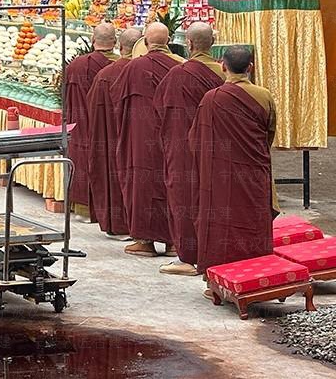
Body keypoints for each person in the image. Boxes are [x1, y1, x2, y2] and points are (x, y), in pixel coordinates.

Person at [190, 46, 276, 279]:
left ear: (223, 65)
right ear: (251, 68)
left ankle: (217, 277)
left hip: (219, 174)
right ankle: (258, 276)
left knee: (220, 221)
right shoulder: (264, 95)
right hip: (253, 171)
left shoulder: (211, 99)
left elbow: (196, 140)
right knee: (253, 218)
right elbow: (269, 133)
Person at [154, 23, 224, 277]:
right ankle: (215, 252)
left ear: (190, 45)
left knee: (183, 196)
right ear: (212, 43)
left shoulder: (178, 74)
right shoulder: (223, 72)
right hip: (219, 148)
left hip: (183, 146)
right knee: (215, 198)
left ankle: (187, 256)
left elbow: (161, 109)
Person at [113, 22, 184, 257]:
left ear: (144, 41)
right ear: (169, 40)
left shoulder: (134, 68)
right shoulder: (181, 67)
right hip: (174, 137)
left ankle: (145, 242)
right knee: (172, 184)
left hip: (142, 137)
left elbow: (118, 100)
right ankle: (174, 242)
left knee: (142, 185)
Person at [86, 27, 142, 237]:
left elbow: (94, 109)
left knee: (114, 172)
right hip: (141, 138)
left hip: (111, 136)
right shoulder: (151, 71)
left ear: (120, 46)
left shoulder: (106, 75)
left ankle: (119, 223)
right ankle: (143, 229)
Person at [64, 23, 119, 217]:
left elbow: (66, 98)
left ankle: (82, 209)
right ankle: (108, 212)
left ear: (92, 40)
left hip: (80, 126)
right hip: (109, 129)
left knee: (80, 158)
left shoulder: (76, 66)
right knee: (109, 165)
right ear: (115, 42)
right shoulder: (121, 67)